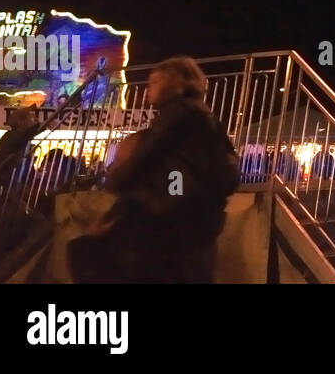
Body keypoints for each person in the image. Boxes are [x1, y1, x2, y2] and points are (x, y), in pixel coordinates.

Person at [70, 56, 238, 284]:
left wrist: (118, 179)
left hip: (170, 218)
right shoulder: (205, 118)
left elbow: (148, 154)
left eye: (155, 83)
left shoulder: (177, 113)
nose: (149, 89)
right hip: (196, 220)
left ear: (177, 84)